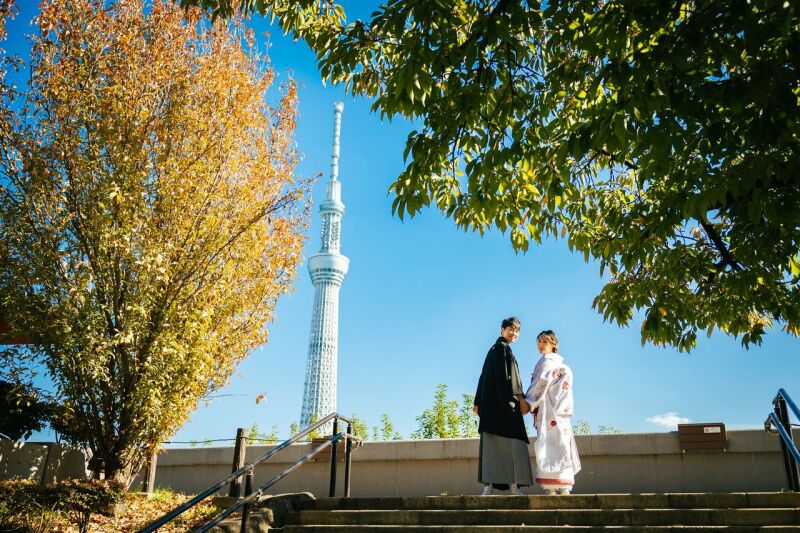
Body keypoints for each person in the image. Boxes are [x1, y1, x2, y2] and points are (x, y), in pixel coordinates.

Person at [473, 317, 533, 496]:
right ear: (502, 330)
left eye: (517, 331)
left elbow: (482, 377)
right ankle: (513, 487)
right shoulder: (503, 349)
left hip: (490, 405)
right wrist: (521, 400)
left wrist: (477, 401)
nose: (514, 333)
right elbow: (513, 378)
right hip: (504, 405)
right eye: (511, 329)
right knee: (514, 444)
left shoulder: (493, 350)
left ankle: (488, 488)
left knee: (491, 446)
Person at [525, 330, 581, 495]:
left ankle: (552, 486)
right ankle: (563, 485)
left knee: (549, 445)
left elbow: (541, 384)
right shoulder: (562, 365)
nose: (540, 345)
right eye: (539, 342)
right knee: (561, 445)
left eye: (545, 342)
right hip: (560, 410)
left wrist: (528, 402)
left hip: (549, 410)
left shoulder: (548, 362)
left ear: (553, 344)